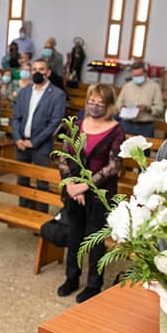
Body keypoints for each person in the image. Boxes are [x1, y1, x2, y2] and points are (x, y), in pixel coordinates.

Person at [56, 84, 125, 303]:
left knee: (95, 239)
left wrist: (84, 186)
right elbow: (64, 156)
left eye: (100, 103)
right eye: (91, 102)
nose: (94, 106)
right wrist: (70, 185)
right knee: (74, 235)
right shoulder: (76, 124)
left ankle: (95, 283)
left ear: (109, 105)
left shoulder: (116, 130)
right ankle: (72, 278)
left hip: (98, 193)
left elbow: (114, 166)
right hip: (73, 191)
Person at [11, 58, 67, 211]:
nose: (37, 72)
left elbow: (55, 123)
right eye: (34, 69)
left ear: (48, 72)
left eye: (41, 69)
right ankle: (24, 209)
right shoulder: (25, 91)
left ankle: (41, 215)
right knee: (22, 179)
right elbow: (15, 117)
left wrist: (34, 142)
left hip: (41, 145)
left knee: (42, 181)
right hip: (21, 143)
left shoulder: (57, 94)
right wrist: (17, 139)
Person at [114, 61, 164, 137]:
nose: (137, 77)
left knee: (144, 149)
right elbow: (118, 105)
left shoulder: (154, 87)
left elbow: (160, 108)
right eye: (135, 75)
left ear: (145, 74)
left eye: (139, 75)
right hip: (127, 124)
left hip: (145, 126)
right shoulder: (127, 86)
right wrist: (123, 108)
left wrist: (147, 108)